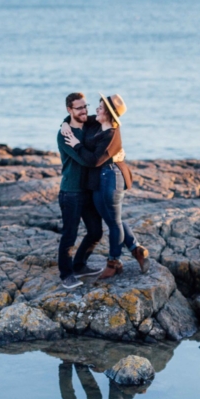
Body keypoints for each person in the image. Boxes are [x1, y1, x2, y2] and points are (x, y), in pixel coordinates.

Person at [61, 93, 149, 280]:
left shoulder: (111, 134)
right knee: (112, 218)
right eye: (97, 106)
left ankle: (114, 262)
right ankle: (135, 248)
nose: (95, 110)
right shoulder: (96, 124)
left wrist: (77, 145)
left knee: (113, 221)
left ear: (108, 114)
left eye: (99, 107)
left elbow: (93, 160)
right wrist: (64, 123)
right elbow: (75, 116)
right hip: (98, 180)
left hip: (109, 177)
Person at [55, 92, 105, 289]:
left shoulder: (90, 124)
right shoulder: (65, 134)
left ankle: (80, 265)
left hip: (88, 191)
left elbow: (109, 118)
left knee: (95, 231)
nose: (84, 111)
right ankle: (66, 274)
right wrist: (65, 124)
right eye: (79, 108)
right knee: (69, 234)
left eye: (85, 106)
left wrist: (64, 120)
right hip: (71, 192)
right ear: (70, 110)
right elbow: (85, 160)